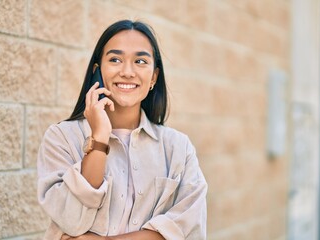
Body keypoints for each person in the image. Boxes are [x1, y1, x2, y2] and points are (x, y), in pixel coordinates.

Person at [37, 19, 207, 240]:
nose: (127, 72)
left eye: (140, 61)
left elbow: (189, 229)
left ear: (154, 76)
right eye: (115, 59)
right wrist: (98, 138)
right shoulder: (61, 138)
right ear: (98, 71)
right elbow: (71, 221)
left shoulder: (178, 148)